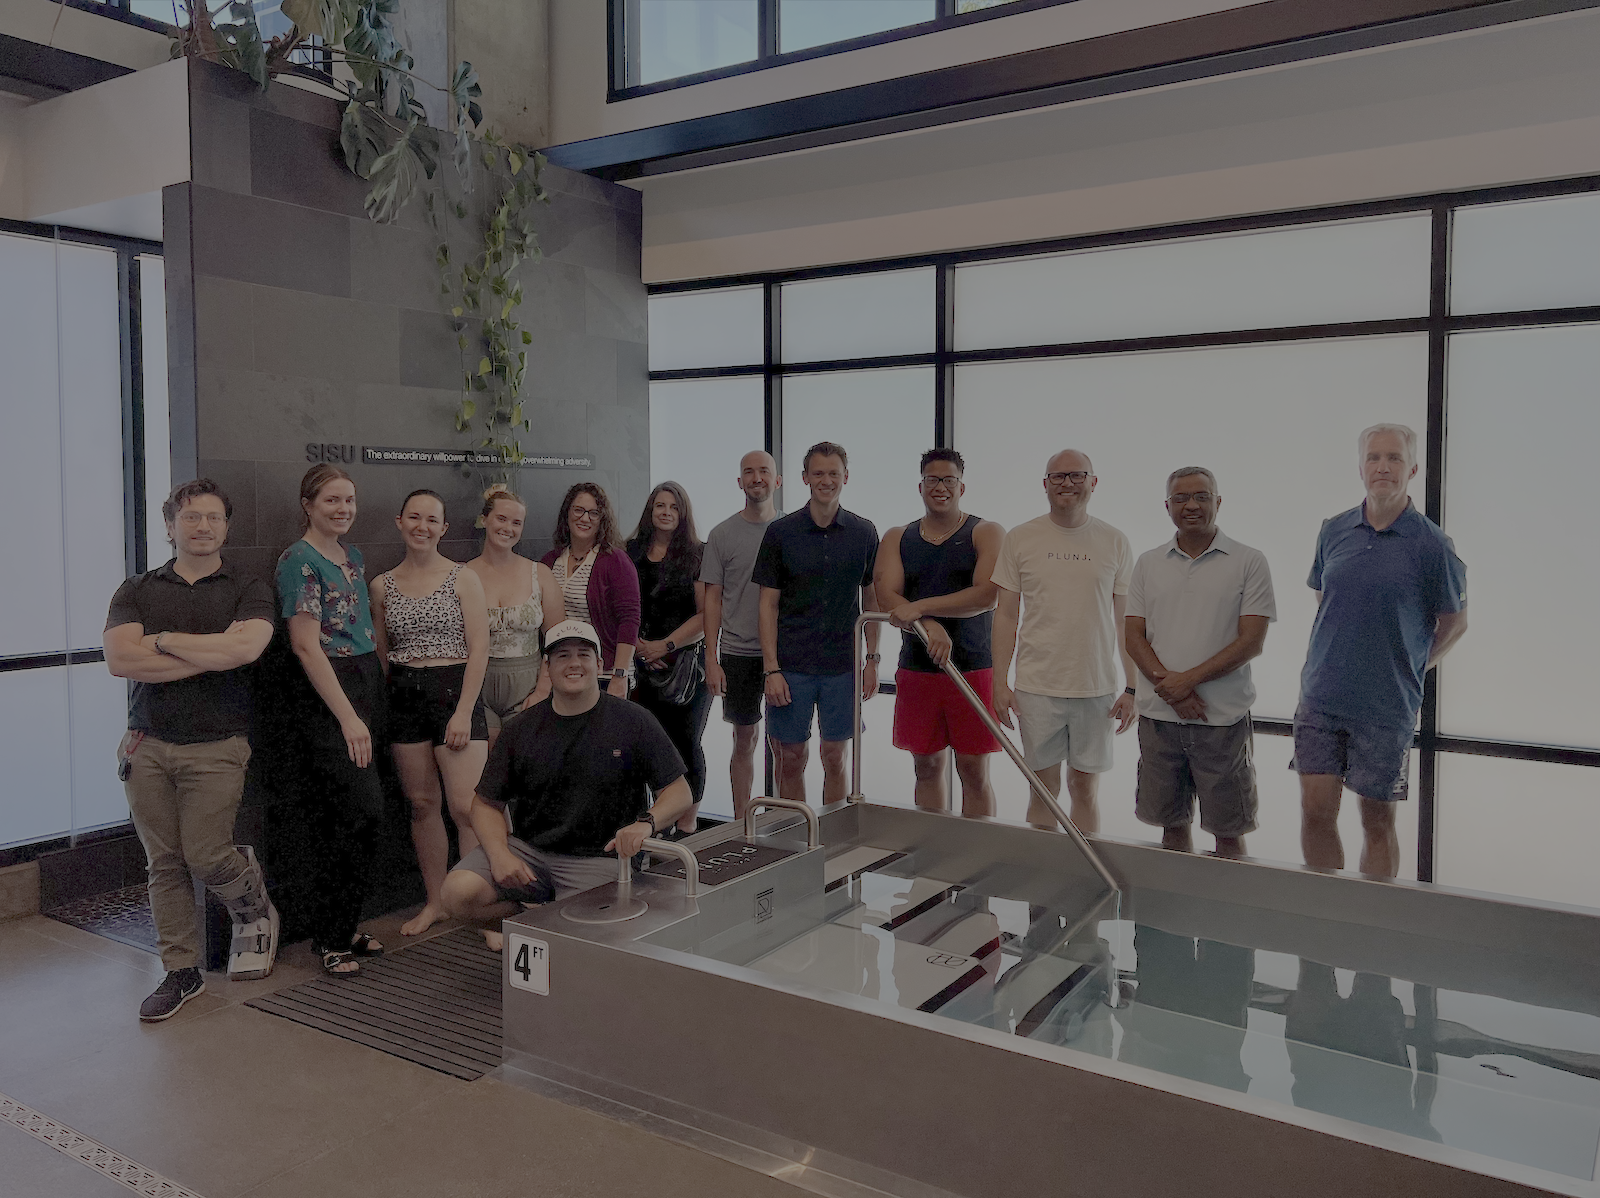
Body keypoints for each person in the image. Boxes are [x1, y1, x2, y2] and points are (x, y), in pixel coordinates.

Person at [104, 479, 278, 1021]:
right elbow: (120, 660)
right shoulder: (137, 588)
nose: (203, 526)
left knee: (206, 854)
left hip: (218, 744)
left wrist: (161, 641)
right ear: (170, 526)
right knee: (164, 862)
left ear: (227, 526)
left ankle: (255, 911)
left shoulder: (247, 586)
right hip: (147, 744)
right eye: (191, 517)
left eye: (213, 517)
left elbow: (248, 649)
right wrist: (214, 653)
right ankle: (180, 971)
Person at [439, 620, 693, 948]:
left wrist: (646, 823)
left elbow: (679, 792)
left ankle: (549, 933)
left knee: (578, 942)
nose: (574, 663)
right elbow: (485, 804)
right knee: (457, 893)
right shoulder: (521, 728)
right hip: (530, 853)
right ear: (547, 667)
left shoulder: (633, 720)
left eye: (583, 655)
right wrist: (499, 854)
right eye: (562, 656)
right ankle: (528, 926)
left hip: (601, 858)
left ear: (599, 664)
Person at [1296, 423, 1468, 877]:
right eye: (1374, 457)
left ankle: (1372, 918)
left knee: (1376, 821)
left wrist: (1411, 667)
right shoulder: (1333, 530)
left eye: (1394, 458)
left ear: (1412, 469)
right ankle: (1325, 912)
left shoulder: (1432, 545)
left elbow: (1455, 623)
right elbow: (1326, 599)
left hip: (1386, 705)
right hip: (1321, 696)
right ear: (1361, 468)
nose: (1383, 466)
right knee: (1315, 811)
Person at [1125, 468, 1275, 859]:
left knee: (1229, 832)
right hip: (1160, 719)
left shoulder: (1248, 561)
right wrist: (1174, 692)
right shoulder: (1148, 562)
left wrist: (1186, 682)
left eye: (1201, 496)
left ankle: (1228, 901)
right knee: (1171, 831)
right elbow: (1133, 637)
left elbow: (1251, 642)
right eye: (1181, 498)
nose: (1191, 505)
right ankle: (1173, 901)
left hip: (1220, 720)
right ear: (1167, 506)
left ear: (1218, 502)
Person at [276, 465, 388, 977]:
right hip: (329, 691)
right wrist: (347, 717)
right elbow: (305, 644)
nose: (343, 509)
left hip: (364, 681)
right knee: (351, 813)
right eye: (332, 500)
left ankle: (343, 925)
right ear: (308, 504)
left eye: (349, 500)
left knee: (360, 816)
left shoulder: (351, 556)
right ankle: (329, 936)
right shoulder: (298, 561)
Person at [992, 449, 1136, 833]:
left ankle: (1084, 869)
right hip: (1036, 687)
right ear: (1045, 484)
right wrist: (999, 682)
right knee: (1042, 791)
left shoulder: (1115, 541)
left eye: (1076, 475)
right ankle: (1044, 871)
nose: (1067, 483)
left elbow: (1125, 621)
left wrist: (1133, 687)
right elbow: (1005, 615)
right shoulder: (1021, 538)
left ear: (1093, 482)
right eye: (1057, 476)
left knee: (1085, 790)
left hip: (1096, 688)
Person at [371, 489, 491, 937]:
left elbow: (480, 648)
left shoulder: (463, 577)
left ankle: (484, 909)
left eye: (431, 519)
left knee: (467, 808)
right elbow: (382, 656)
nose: (422, 526)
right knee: (422, 805)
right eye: (414, 517)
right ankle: (437, 902)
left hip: (454, 691)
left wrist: (463, 712)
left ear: (444, 528)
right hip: (404, 696)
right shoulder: (381, 585)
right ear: (399, 522)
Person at [873, 449, 1003, 817]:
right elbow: (888, 597)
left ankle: (976, 849)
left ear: (962, 486)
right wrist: (927, 625)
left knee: (973, 770)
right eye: (932, 480)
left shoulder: (986, 532)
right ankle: (934, 847)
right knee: (926, 767)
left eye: (949, 480)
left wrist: (921, 608)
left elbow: (986, 595)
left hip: (973, 667)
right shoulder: (898, 536)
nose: (940, 487)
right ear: (921, 486)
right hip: (918, 668)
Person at [753, 441, 881, 807]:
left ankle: (833, 836)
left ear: (846, 477)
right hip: (791, 665)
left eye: (834, 474)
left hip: (843, 666)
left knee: (835, 757)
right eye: (819, 473)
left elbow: (872, 601)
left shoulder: (864, 532)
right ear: (805, 477)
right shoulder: (781, 533)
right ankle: (796, 834)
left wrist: (873, 660)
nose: (826, 481)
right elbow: (767, 605)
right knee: (790, 758)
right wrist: (771, 669)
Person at [627, 481, 711, 835]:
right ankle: (657, 822)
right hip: (637, 663)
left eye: (674, 507)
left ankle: (687, 826)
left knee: (686, 744)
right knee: (648, 747)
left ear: (683, 513)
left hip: (687, 668)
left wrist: (665, 646)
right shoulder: (630, 551)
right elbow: (619, 606)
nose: (666, 512)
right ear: (650, 511)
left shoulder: (698, 554)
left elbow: (707, 616)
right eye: (660, 505)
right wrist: (639, 647)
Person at [702, 450, 782, 821]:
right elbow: (712, 599)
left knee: (785, 744)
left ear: (777, 480)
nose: (756, 478)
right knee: (744, 739)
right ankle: (741, 823)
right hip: (737, 654)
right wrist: (711, 658)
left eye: (764, 471)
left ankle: (784, 819)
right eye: (749, 472)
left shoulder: (791, 531)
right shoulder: (721, 535)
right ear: (739, 482)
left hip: (784, 654)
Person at [466, 484, 563, 751]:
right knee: (487, 762)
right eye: (501, 518)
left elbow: (558, 640)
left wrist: (542, 690)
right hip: (478, 683)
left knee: (524, 758)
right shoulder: (463, 575)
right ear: (485, 520)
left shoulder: (540, 574)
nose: (508, 528)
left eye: (516, 522)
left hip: (528, 683)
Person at [540, 482, 640, 698]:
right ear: (567, 513)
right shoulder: (550, 561)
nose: (585, 518)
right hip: (562, 673)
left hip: (605, 675)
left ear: (602, 519)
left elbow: (629, 620)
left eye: (593, 513)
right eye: (579, 510)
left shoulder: (615, 561)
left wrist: (620, 675)